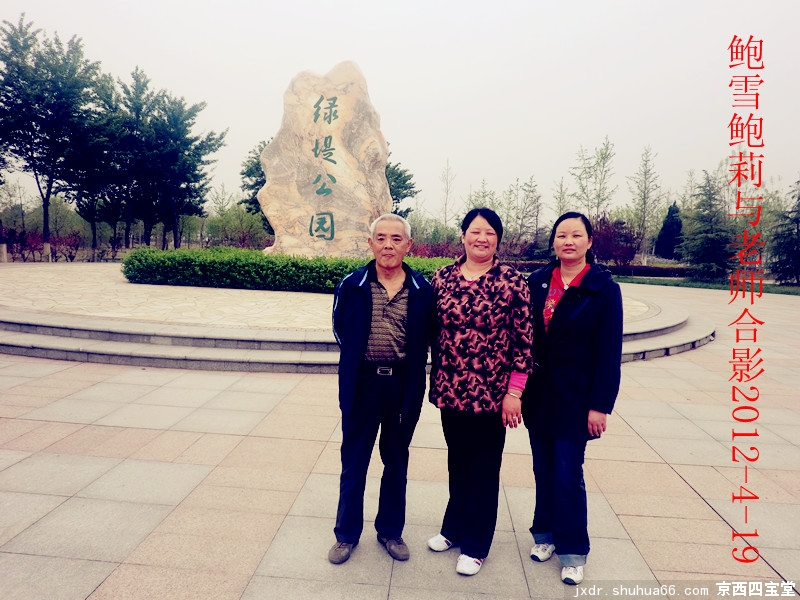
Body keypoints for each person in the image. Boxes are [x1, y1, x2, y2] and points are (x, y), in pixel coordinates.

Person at [426, 207, 534, 576]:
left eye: (489, 232)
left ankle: (475, 545)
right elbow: (430, 330)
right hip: (450, 390)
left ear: (498, 240)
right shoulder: (443, 278)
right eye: (475, 231)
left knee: (484, 469)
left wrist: (515, 393)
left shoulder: (511, 281)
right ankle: (453, 528)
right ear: (463, 236)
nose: (481, 238)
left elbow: (524, 341)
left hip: (492, 395)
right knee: (457, 462)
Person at [521, 211, 623, 585]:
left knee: (568, 473)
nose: (568, 241)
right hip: (539, 395)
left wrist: (600, 405)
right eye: (562, 235)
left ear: (589, 242)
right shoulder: (536, 282)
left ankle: (573, 551)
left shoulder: (603, 288)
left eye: (576, 235)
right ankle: (544, 534)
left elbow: (609, 353)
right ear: (554, 242)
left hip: (576, 399)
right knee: (543, 469)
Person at [328, 213, 436, 565]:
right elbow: (340, 329)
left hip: (403, 385)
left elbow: (428, 335)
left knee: (396, 461)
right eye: (381, 238)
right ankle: (346, 535)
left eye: (396, 239)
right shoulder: (352, 285)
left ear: (408, 245)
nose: (388, 245)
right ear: (370, 243)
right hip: (363, 383)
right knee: (354, 462)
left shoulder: (422, 290)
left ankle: (390, 531)